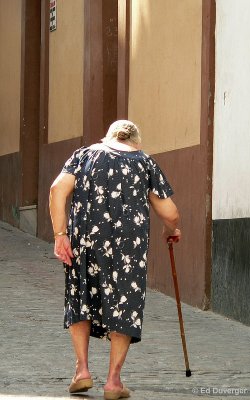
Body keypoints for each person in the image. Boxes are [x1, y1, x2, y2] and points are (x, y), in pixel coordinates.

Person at [49, 120, 181, 399]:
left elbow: (57, 190)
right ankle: (113, 382)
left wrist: (60, 234)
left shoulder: (84, 155)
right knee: (125, 303)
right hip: (127, 249)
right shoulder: (145, 162)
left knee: (80, 298)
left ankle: (82, 371)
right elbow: (169, 213)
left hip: (84, 242)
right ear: (136, 143)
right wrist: (171, 231)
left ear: (107, 138)